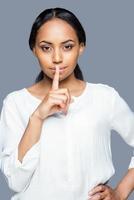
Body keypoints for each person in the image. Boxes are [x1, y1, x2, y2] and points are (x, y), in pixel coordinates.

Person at [0, 7, 134, 200]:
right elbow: (15, 182)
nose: (56, 58)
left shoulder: (104, 97)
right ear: (33, 50)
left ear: (81, 47)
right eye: (46, 48)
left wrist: (120, 193)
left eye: (67, 46)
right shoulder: (15, 103)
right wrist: (38, 116)